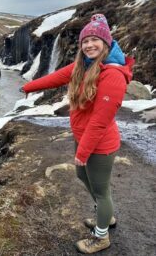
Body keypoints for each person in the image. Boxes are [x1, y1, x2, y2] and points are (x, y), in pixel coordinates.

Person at [20, 14, 135, 254]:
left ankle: (101, 236)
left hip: (100, 144)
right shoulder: (84, 65)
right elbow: (56, 77)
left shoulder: (113, 75)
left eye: (95, 40)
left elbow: (100, 122)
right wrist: (28, 87)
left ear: (106, 43)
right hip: (83, 137)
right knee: (83, 177)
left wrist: (83, 152)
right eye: (86, 41)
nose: (89, 45)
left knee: (101, 191)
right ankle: (106, 216)